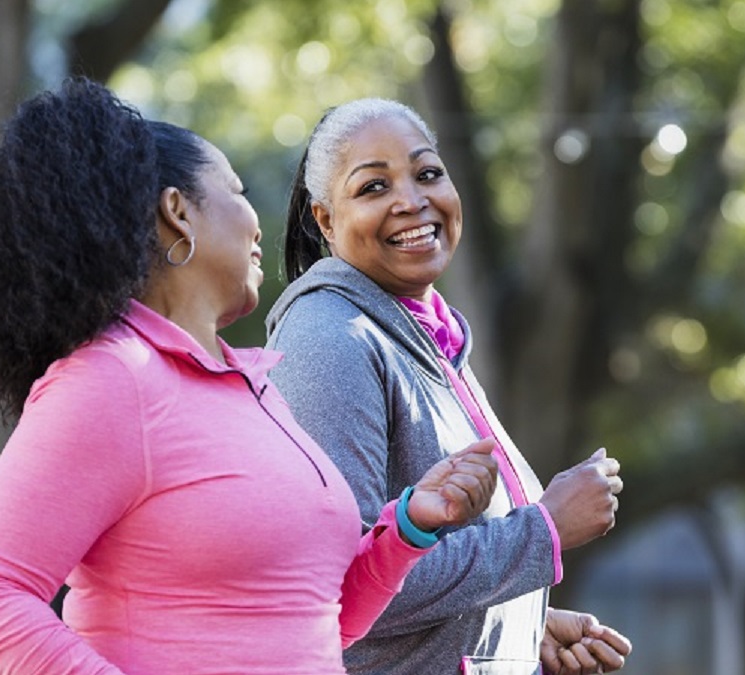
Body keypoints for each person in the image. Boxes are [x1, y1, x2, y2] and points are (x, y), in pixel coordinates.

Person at [0, 78, 500, 675]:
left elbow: (320, 617)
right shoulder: (111, 378)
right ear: (178, 213)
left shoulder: (252, 387)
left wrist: (410, 525)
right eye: (235, 191)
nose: (258, 224)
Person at [265, 98, 633, 675]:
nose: (412, 201)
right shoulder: (331, 336)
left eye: (427, 173)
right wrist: (543, 531)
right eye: (373, 187)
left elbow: (427, 571)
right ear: (325, 221)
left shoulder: (425, 333)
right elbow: (344, 583)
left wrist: (515, 626)